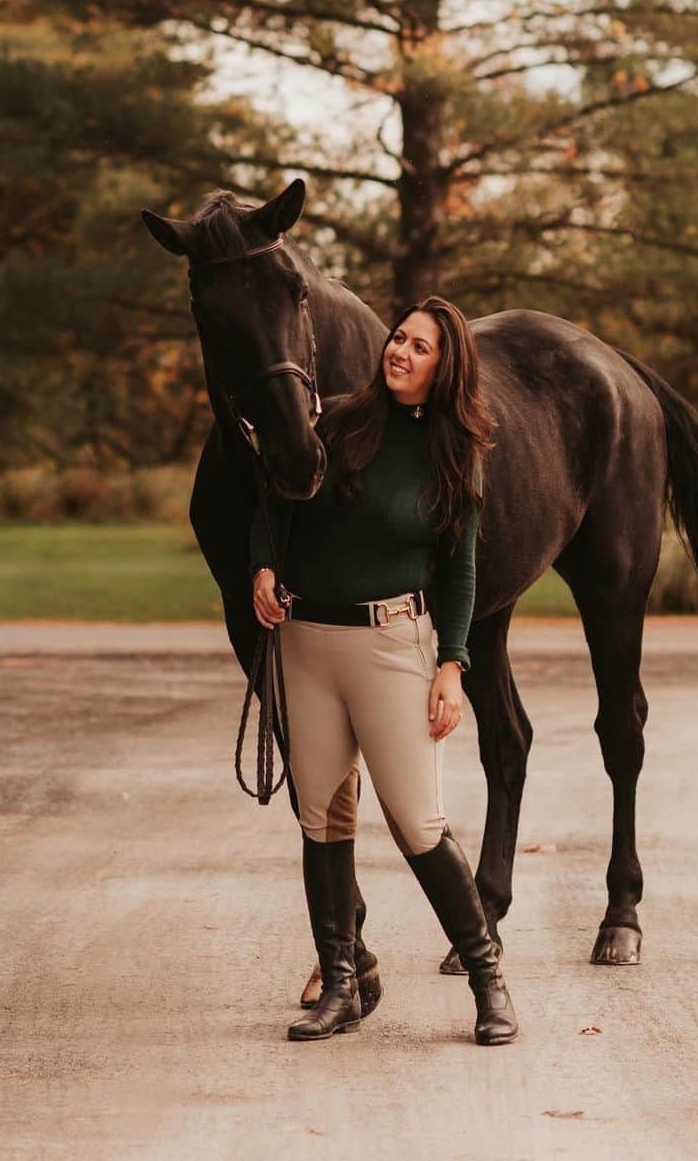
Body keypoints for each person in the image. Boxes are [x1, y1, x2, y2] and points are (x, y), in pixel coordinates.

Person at [248, 296, 518, 1047]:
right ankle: (341, 983)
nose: (398, 351)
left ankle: (487, 978)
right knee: (321, 821)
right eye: (398, 337)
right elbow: (273, 495)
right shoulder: (334, 421)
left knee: (419, 823)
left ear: (446, 366)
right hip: (307, 642)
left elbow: (460, 570)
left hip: (395, 646)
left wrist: (453, 665)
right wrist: (262, 564)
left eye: (418, 346)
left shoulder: (455, 450)